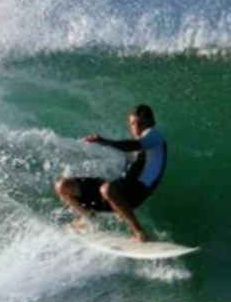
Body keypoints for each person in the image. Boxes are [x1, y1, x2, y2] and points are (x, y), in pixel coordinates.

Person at [54, 104, 167, 243]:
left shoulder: (155, 135)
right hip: (122, 190)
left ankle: (139, 230)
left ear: (151, 122)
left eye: (140, 123)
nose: (136, 128)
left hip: (138, 191)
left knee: (107, 189)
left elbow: (133, 145)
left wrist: (103, 141)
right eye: (133, 124)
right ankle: (88, 218)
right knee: (63, 185)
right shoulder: (138, 146)